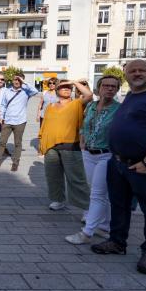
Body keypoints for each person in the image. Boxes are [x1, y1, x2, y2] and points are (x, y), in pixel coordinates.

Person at [91, 60, 146, 275]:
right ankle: (117, 242)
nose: (137, 74)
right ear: (126, 75)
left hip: (144, 166)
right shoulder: (130, 96)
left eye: (141, 70)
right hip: (119, 163)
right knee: (119, 206)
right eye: (132, 71)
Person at [65, 76, 121, 244]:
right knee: (95, 192)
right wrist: (82, 140)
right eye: (106, 85)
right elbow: (83, 124)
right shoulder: (90, 106)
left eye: (113, 86)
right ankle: (104, 226)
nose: (109, 89)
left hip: (107, 154)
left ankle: (87, 233)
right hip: (88, 153)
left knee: (98, 194)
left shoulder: (119, 109)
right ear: (99, 88)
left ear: (117, 90)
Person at [39, 79, 93, 211]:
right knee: (53, 177)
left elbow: (89, 95)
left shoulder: (77, 103)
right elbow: (45, 125)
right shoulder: (50, 107)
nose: (66, 88)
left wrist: (74, 82)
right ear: (56, 90)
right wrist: (42, 144)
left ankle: (86, 208)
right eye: (62, 87)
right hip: (51, 147)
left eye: (68, 87)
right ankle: (58, 200)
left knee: (76, 179)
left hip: (70, 146)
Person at [0, 74, 38, 171]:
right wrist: (1, 117)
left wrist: (24, 82)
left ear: (22, 81)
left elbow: (35, 91)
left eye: (19, 80)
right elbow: (3, 105)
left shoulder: (26, 92)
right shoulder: (7, 91)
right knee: (2, 142)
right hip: (8, 121)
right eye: (15, 79)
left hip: (20, 121)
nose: (17, 81)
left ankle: (15, 162)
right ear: (12, 81)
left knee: (17, 143)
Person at [37, 78, 58, 156]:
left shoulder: (58, 93)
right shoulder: (45, 92)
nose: (51, 85)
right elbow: (40, 103)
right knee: (42, 133)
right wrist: (38, 114)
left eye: (53, 83)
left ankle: (51, 149)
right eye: (50, 83)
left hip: (55, 117)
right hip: (44, 116)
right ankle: (41, 150)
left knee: (53, 133)